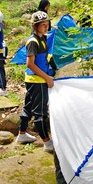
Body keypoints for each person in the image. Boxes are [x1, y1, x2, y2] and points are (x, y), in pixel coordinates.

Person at [16, 11, 57, 153]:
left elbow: (47, 57)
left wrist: (54, 68)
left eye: (47, 25)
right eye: (43, 25)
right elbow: (30, 64)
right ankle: (47, 142)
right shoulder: (33, 42)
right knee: (40, 113)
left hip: (36, 79)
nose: (46, 27)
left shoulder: (43, 39)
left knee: (28, 106)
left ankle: (21, 134)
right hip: (36, 80)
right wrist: (46, 78)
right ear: (35, 26)